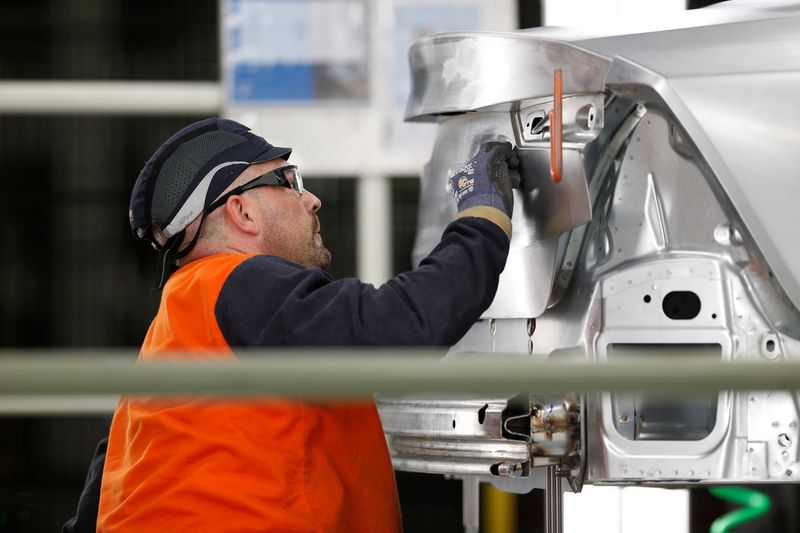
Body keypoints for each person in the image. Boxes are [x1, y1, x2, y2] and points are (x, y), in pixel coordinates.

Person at [63, 117, 519, 532]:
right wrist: (483, 215)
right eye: (289, 180)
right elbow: (399, 326)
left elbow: (97, 506)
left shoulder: (174, 335)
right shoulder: (239, 282)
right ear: (242, 212)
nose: (312, 199)